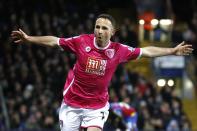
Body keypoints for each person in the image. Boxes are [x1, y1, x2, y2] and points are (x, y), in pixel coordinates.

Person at [11, 14, 193, 131]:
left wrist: (171, 51)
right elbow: (55, 41)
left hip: (96, 107)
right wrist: (29, 39)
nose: (99, 31)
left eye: (104, 28)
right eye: (97, 27)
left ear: (113, 32)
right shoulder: (81, 41)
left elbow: (147, 52)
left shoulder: (119, 50)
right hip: (72, 104)